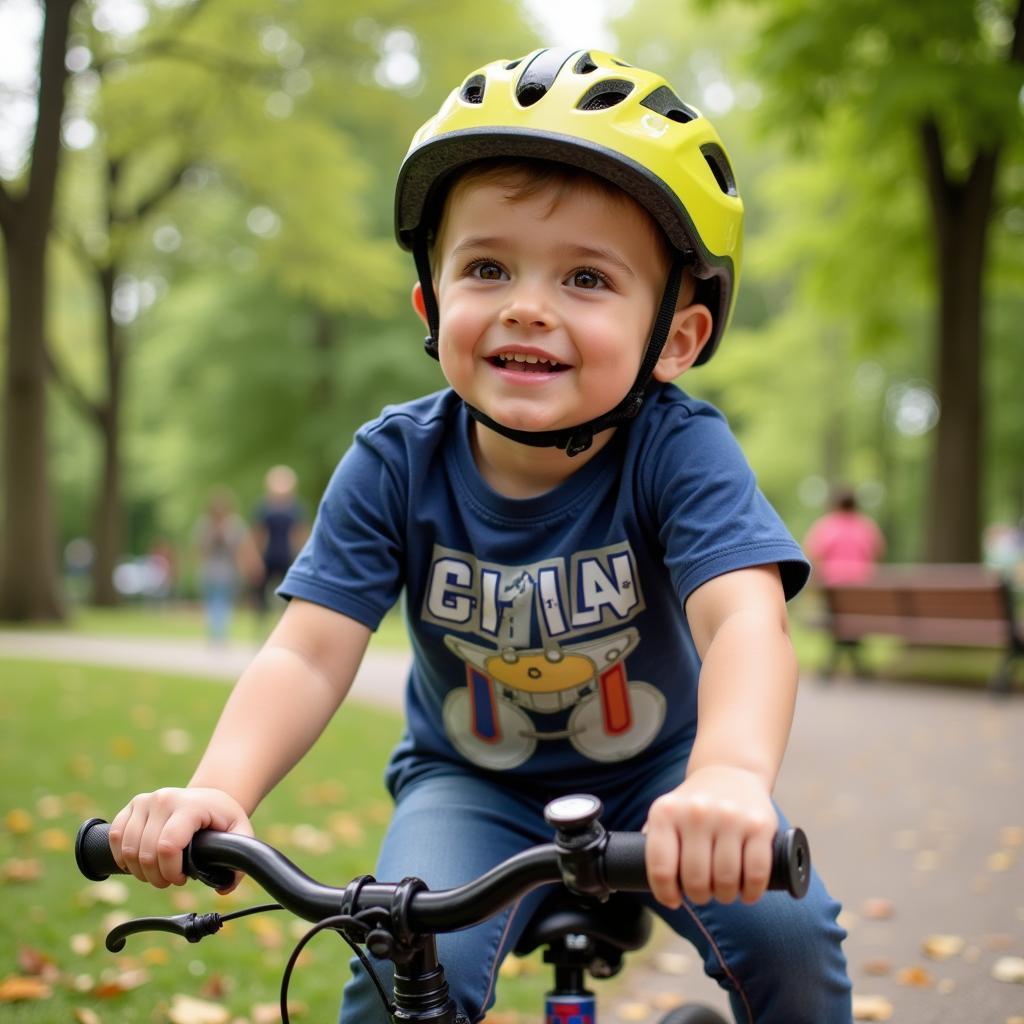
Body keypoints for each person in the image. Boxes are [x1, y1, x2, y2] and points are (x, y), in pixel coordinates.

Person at [109, 49, 852, 1022]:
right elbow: (307, 651)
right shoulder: (394, 462)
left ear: (675, 338)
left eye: (586, 277)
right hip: (469, 786)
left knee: (792, 941)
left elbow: (746, 624)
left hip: (662, 776)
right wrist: (217, 787)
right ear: (432, 303)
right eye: (487, 267)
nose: (527, 304)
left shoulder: (681, 452)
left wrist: (727, 774)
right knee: (395, 965)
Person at [192, 488, 259, 644]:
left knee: (222, 602)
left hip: (227, 571)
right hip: (209, 570)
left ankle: (219, 634)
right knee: (213, 603)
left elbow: (242, 548)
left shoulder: (234, 525)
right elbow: (200, 549)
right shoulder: (204, 525)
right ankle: (216, 634)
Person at [250, 464, 308, 623]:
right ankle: (261, 625)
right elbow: (258, 534)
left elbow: (299, 534)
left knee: (289, 594)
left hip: (287, 557)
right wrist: (256, 559)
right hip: (268, 557)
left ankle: (285, 624)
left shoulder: (296, 508)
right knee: (262, 596)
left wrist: (300, 557)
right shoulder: (264, 508)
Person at [804, 486, 885, 586]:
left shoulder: (825, 525)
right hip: (862, 584)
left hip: (832, 586)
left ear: (835, 504)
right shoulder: (867, 525)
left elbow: (811, 554)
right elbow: (879, 551)